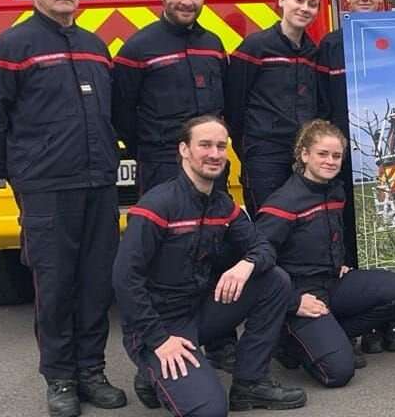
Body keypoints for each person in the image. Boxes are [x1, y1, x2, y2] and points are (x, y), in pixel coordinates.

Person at [0, 0, 127, 417]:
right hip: (47, 189)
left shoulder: (94, 46)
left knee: (96, 281)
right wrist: (21, 170)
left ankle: (91, 371)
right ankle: (60, 378)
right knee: (56, 285)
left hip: (98, 184)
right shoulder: (10, 48)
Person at [112, 116, 307, 414]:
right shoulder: (157, 206)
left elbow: (263, 247)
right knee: (210, 411)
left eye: (221, 146)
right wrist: (159, 340)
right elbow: (125, 279)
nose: (215, 154)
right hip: (160, 325)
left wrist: (246, 265)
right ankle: (152, 371)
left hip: (199, 313)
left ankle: (250, 384)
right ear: (184, 150)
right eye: (205, 145)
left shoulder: (222, 205)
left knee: (274, 280)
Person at [255, 120, 395, 387]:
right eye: (322, 154)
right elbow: (257, 267)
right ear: (304, 155)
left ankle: (332, 336)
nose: (330, 161)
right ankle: (288, 339)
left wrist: (339, 261)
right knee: (338, 373)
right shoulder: (281, 205)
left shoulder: (336, 191)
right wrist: (294, 302)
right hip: (301, 295)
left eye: (336, 156)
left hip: (332, 282)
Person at [316, 0, 395, 354]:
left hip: (391, 157)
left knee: (393, 237)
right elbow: (322, 106)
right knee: (356, 243)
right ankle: (370, 325)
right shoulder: (330, 46)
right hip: (346, 166)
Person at [113, 0, 227, 195]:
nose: (187, 1)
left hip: (210, 165)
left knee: (215, 229)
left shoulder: (213, 45)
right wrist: (150, 149)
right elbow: (121, 111)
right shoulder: (137, 48)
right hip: (162, 165)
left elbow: (227, 103)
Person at [225, 0, 323, 213]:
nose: (304, 8)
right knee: (268, 223)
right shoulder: (255, 47)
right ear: (281, 0)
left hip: (303, 156)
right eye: (298, 0)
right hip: (264, 155)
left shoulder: (313, 53)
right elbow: (233, 104)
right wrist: (249, 147)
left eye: (312, 4)